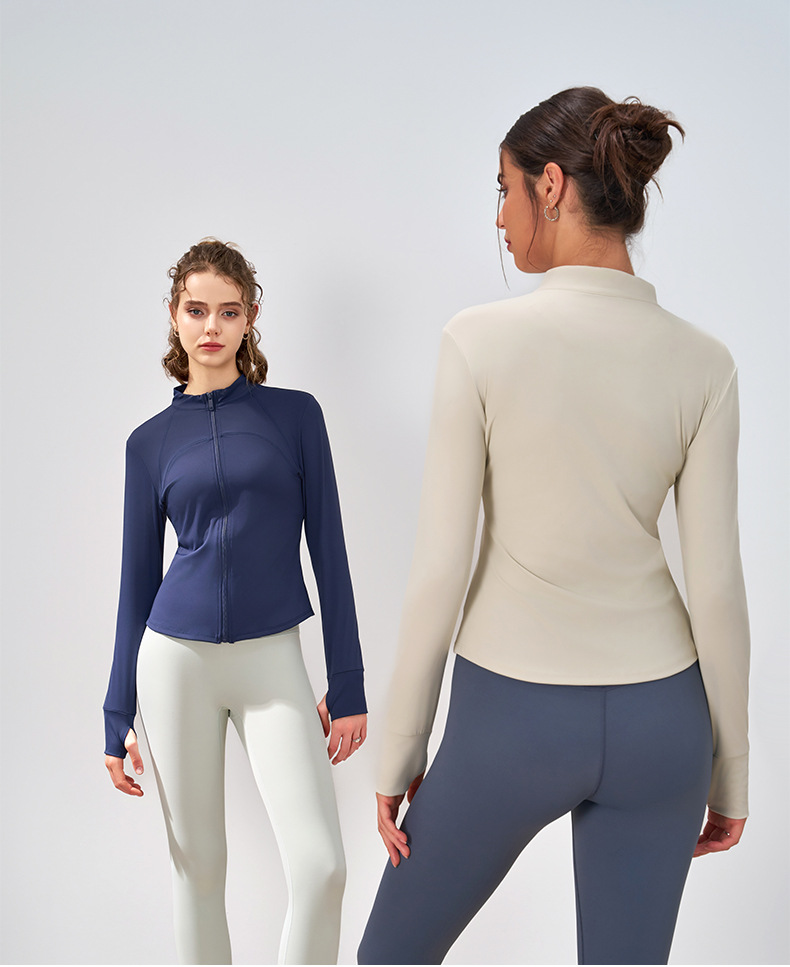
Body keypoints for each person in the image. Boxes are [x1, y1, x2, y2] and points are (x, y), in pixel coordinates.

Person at [358, 87, 749, 966]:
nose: (499, 219)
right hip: (663, 727)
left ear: (550, 185)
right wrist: (731, 772)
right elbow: (718, 586)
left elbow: (439, 570)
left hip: (511, 723)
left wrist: (400, 755)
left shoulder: (477, 342)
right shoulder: (706, 363)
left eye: (502, 190)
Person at [103, 239, 367, 966]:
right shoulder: (148, 444)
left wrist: (347, 681)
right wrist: (116, 713)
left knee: (321, 867)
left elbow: (331, 553)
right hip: (174, 663)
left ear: (250, 316)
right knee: (198, 874)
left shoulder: (296, 417)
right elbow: (135, 586)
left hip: (271, 660)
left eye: (227, 311)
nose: (211, 326)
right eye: (196, 310)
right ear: (174, 316)